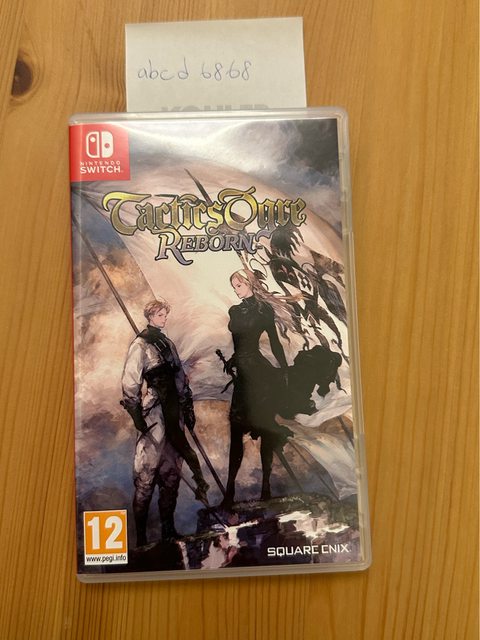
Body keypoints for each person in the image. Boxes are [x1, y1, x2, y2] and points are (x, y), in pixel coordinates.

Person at [121, 298, 209, 546]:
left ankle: (168, 531)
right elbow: (130, 382)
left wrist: (187, 406)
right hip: (154, 416)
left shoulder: (167, 343)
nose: (164, 318)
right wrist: (136, 414)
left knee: (171, 475)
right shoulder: (140, 345)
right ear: (150, 316)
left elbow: (180, 376)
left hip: (174, 413)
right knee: (146, 476)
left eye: (165, 314)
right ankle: (141, 538)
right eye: (160, 315)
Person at [222, 270, 294, 507]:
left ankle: (266, 488)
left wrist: (285, 370)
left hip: (258, 373)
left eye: (239, 285)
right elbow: (239, 343)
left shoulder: (264, 310)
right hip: (242, 373)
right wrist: (234, 358)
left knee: (264, 428)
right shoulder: (234, 311)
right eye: (233, 286)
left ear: (250, 283)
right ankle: (229, 493)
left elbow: (274, 342)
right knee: (236, 430)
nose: (236, 290)